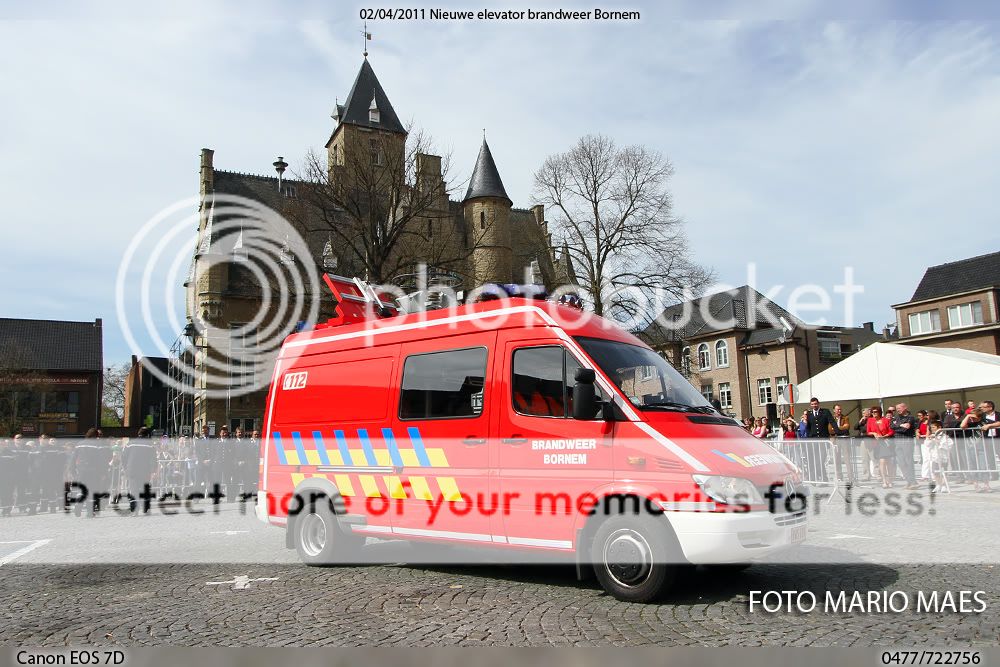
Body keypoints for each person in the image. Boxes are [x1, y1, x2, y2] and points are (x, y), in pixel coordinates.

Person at [890, 403, 919, 489]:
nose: (898, 410)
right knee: (901, 463)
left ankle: (913, 482)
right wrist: (900, 425)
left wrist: (898, 425)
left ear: (905, 408)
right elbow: (891, 426)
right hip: (897, 442)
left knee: (908, 462)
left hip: (907, 441)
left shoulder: (910, 418)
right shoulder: (895, 418)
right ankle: (909, 481)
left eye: (899, 408)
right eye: (896, 408)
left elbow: (905, 428)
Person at [867, 406, 895, 488]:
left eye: (875, 412)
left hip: (886, 443)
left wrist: (885, 435)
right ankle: (884, 480)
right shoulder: (870, 420)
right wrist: (874, 433)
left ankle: (890, 480)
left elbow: (891, 431)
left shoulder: (886, 420)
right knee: (882, 462)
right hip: (877, 444)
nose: (874, 413)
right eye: (872, 412)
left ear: (879, 412)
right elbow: (868, 431)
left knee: (889, 462)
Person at [925, 420, 953, 494]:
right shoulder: (932, 435)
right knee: (935, 471)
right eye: (931, 427)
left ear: (939, 427)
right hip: (934, 457)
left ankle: (944, 485)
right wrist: (930, 440)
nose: (932, 429)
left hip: (943, 457)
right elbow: (926, 444)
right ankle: (938, 484)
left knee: (943, 471)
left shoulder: (945, 436)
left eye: (933, 427)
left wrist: (939, 443)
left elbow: (949, 444)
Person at [855, 407, 875, 481]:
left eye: (864, 413)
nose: (863, 415)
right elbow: (855, 427)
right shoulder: (863, 421)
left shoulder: (872, 419)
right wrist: (860, 421)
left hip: (870, 440)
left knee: (873, 458)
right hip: (862, 441)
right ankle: (866, 475)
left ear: (869, 413)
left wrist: (861, 427)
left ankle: (878, 475)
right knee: (864, 459)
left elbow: (864, 429)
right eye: (862, 413)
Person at [916, 410, 932, 480]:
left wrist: (926, 436)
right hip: (923, 442)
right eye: (918, 416)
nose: (919, 417)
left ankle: (932, 474)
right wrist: (917, 433)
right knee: (925, 458)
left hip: (929, 441)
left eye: (920, 415)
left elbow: (930, 431)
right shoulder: (920, 422)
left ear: (925, 415)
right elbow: (917, 429)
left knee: (931, 458)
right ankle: (925, 475)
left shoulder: (930, 422)